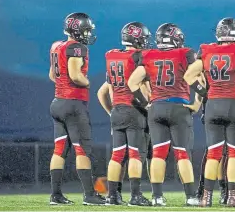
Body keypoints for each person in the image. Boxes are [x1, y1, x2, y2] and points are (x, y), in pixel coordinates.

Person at [184, 17, 235, 207]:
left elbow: (188, 75)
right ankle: (233, 197)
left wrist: (205, 93)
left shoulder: (206, 49)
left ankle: (205, 198)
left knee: (214, 153)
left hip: (213, 105)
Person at [128, 23, 202, 206]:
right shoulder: (185, 53)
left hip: (157, 108)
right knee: (182, 153)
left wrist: (147, 104)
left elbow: (132, 82)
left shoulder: (149, 55)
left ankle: (157, 197)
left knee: (158, 154)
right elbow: (200, 78)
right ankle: (191, 197)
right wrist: (197, 103)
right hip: (179, 107)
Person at [48, 12, 105, 205]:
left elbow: (52, 76)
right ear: (77, 30)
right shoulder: (77, 47)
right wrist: (87, 82)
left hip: (57, 102)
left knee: (59, 150)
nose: (88, 34)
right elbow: (75, 75)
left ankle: (55, 195)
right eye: (86, 30)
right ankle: (90, 195)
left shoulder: (57, 46)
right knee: (83, 150)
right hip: (73, 103)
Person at [97, 22, 152, 206]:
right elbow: (143, 87)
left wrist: (111, 112)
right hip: (134, 110)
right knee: (136, 154)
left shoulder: (113, 57)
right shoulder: (138, 57)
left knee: (117, 155)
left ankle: (112, 196)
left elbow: (102, 92)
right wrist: (148, 104)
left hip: (117, 110)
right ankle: (135, 196)